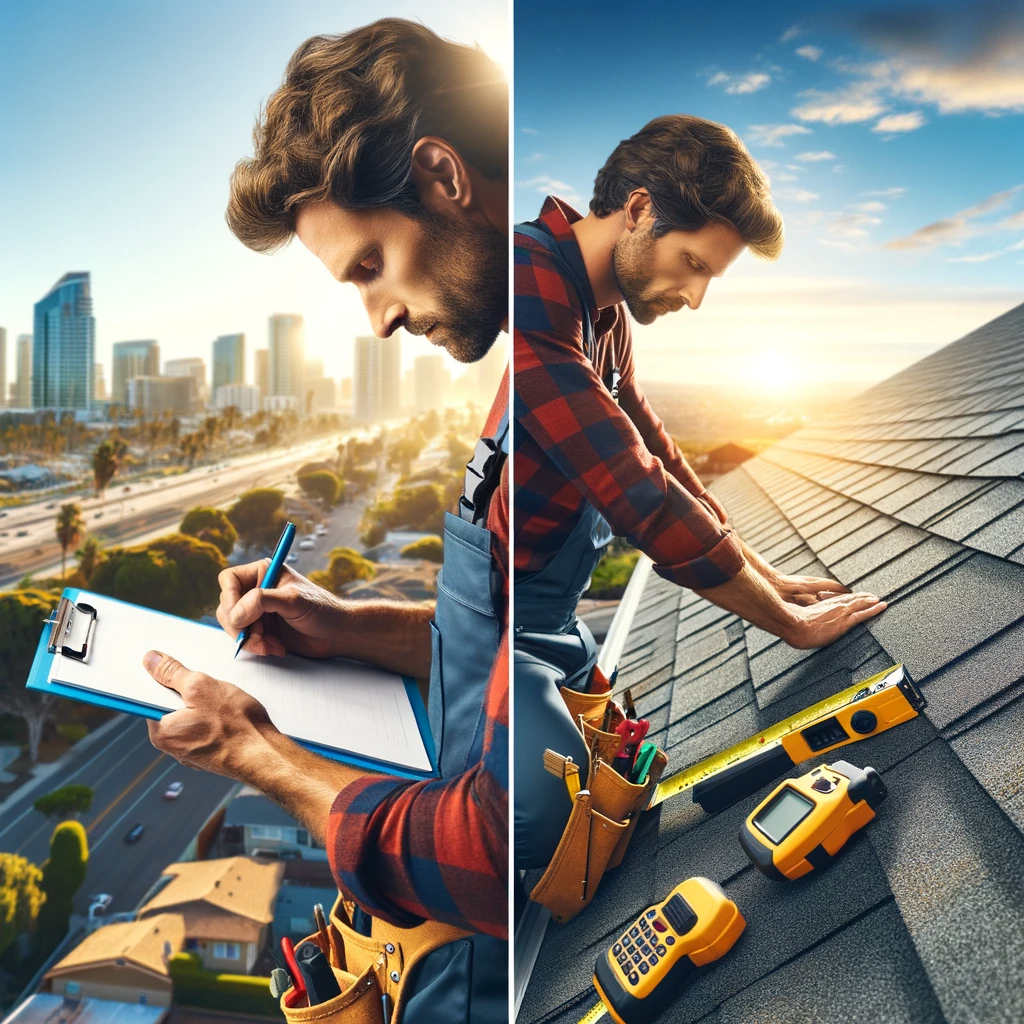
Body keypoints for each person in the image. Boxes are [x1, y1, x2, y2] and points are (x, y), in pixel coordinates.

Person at [138, 19, 509, 1018]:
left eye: (368, 265)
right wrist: (346, 626)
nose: (378, 319)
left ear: (442, 176)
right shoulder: (538, 380)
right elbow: (519, 666)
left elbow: (494, 856)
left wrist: (252, 752)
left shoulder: (550, 411)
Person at [513, 114, 887, 869]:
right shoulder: (526, 282)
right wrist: (785, 622)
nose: (696, 295)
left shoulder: (606, 313)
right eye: (694, 265)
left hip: (551, 621)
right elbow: (634, 491)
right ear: (640, 209)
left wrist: (764, 571)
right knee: (545, 828)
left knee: (619, 785)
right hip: (501, 624)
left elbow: (656, 450)